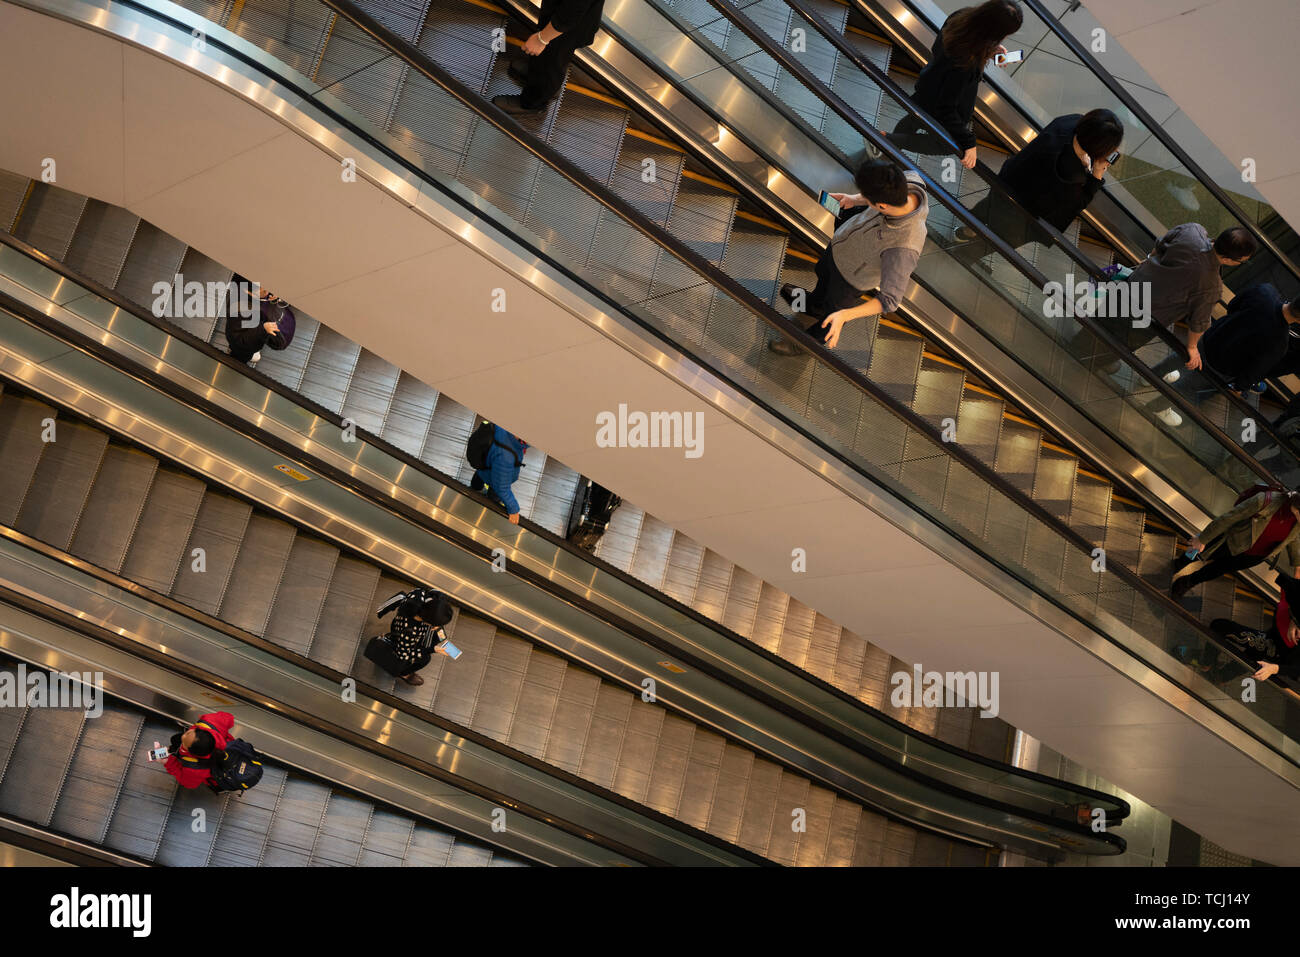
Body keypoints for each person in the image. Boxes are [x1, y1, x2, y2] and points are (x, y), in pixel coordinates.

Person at [1081, 225, 1256, 427]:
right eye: (1242, 261)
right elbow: (1198, 322)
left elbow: (1158, 248)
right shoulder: (1211, 286)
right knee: (1118, 342)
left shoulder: (1192, 231)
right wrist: (1191, 348)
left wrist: (1149, 265)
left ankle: (1084, 343)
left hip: (1130, 287)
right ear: (1229, 259)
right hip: (1144, 318)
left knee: (1101, 319)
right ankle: (1087, 359)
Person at [768, 160, 929, 355]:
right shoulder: (910, 179)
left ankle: (805, 345)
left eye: (867, 198)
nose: (865, 199)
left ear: (882, 205)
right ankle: (812, 306)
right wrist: (855, 199)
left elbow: (890, 300)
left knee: (832, 316)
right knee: (823, 280)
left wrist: (846, 314)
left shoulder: (905, 246)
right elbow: (873, 198)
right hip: (840, 249)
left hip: (850, 280)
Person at [955, 108, 1123, 259]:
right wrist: (1095, 176)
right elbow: (1073, 206)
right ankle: (964, 255)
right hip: (1021, 216)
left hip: (1009, 179)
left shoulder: (1069, 122)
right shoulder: (1071, 174)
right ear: (1097, 149)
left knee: (988, 205)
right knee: (999, 240)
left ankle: (966, 231)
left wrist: (1086, 158)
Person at [889, 0, 1023, 169]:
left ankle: (889, 144)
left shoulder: (962, 17)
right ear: (996, 32)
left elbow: (943, 48)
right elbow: (946, 108)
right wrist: (969, 142)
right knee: (947, 145)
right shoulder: (967, 63)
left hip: (930, 82)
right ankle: (886, 140)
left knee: (914, 117)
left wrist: (988, 50)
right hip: (939, 99)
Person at [1171, 487, 1300, 599]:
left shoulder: (1297, 521)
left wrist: (1297, 564)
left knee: (1216, 570)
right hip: (1232, 540)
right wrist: (1203, 538)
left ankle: (1186, 582)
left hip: (1254, 556)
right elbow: (1230, 517)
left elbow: (1293, 538)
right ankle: (1178, 564)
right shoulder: (1266, 500)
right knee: (1199, 553)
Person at [491, 0, 606, 116]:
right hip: (560, 16)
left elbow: (573, 10)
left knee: (552, 60)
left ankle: (533, 102)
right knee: (547, 57)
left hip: (567, 26)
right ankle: (538, 75)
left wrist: (542, 39)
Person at [1196, 283, 1300, 393]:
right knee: (1190, 387)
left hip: (1209, 339)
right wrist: (1240, 388)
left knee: (1180, 363)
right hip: (1220, 368)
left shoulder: (1264, 291)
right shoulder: (1280, 343)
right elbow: (1255, 371)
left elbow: (1232, 306)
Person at [1209, 572, 1300, 684]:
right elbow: (1288, 582)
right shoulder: (1293, 594)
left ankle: (1207, 663)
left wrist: (1274, 669)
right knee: (1252, 654)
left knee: (1219, 626)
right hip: (1276, 635)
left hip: (1278, 649)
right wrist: (1294, 619)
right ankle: (1221, 677)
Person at [383, 591, 451, 687]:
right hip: (401, 638)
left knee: (439, 636)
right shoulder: (410, 631)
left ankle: (433, 640)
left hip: (405, 626)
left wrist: (437, 628)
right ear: (427, 621)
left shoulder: (421, 596)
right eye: (435, 624)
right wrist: (433, 649)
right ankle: (403, 673)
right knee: (425, 659)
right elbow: (403, 654)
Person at [225, 278, 295, 365]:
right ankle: (235, 357)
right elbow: (238, 340)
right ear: (248, 291)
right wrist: (262, 329)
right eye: (263, 290)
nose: (267, 292)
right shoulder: (239, 311)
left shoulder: (255, 289)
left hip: (258, 324)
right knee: (241, 355)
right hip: (243, 345)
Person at [470, 424, 527, 524]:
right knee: (495, 495)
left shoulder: (502, 425)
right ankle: (488, 507)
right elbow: (501, 488)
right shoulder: (506, 457)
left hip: (484, 465)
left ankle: (475, 488)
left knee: (479, 477)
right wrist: (513, 509)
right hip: (492, 477)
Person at [163, 712, 234, 789]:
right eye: (187, 733)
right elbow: (229, 717)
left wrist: (168, 762)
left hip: (217, 777)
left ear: (193, 753)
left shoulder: (195, 769)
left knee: (175, 741)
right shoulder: (211, 721)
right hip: (228, 749)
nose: (183, 736)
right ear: (201, 731)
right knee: (175, 739)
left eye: (184, 744)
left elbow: (189, 784)